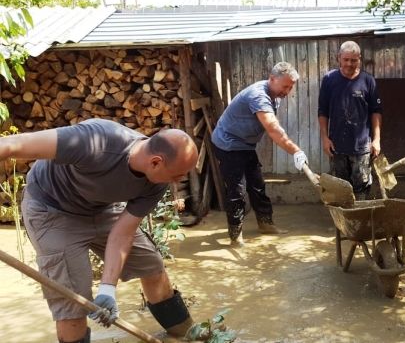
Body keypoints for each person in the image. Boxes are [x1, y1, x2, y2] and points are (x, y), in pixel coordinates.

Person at [12, 119, 199, 343]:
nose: (179, 181)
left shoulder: (156, 181)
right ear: (156, 162)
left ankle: (187, 335)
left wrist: (108, 288)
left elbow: (123, 233)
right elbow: (12, 145)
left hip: (100, 208)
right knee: (73, 301)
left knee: (151, 265)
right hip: (51, 210)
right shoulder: (96, 140)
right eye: (177, 175)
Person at [211, 62, 308, 246]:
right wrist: (295, 150)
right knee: (237, 190)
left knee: (257, 185)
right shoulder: (259, 95)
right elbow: (272, 129)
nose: (287, 91)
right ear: (272, 79)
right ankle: (235, 234)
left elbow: (272, 125)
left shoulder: (275, 94)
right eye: (285, 86)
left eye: (290, 87)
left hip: (245, 144)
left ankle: (266, 224)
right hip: (228, 143)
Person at [318, 41, 382, 200]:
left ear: (359, 59)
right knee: (340, 188)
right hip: (336, 146)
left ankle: (360, 220)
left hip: (361, 146)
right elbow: (322, 111)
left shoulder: (368, 81)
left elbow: (376, 112)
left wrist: (377, 140)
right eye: (346, 59)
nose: (349, 64)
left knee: (362, 187)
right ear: (339, 58)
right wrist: (325, 138)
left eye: (353, 60)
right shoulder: (329, 80)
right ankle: (344, 223)